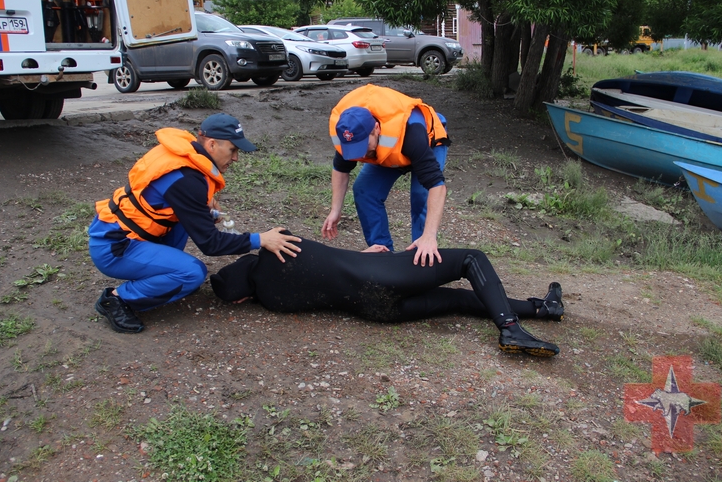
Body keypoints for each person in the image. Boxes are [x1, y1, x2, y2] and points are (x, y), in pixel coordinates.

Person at [88, 114, 302, 334]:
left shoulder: (185, 157)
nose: (236, 158)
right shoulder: (186, 180)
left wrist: (204, 210)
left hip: (121, 232)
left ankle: (162, 275)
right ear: (211, 144)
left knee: (187, 227)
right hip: (115, 247)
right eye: (232, 150)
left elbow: (170, 202)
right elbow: (211, 244)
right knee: (192, 273)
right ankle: (116, 299)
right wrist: (261, 239)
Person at [210, 234, 564, 357]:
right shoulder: (277, 247)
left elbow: (319, 276)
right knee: (471, 259)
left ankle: (544, 309)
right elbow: (322, 258)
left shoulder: (272, 302)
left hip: (376, 311)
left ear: (242, 297)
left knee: (456, 300)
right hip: (379, 276)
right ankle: (510, 326)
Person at [321, 84, 450, 267]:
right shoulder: (348, 132)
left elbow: (436, 186)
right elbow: (341, 169)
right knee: (365, 191)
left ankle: (421, 256)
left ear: (376, 128)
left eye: (364, 147)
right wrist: (335, 210)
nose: (362, 155)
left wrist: (429, 236)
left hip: (427, 141)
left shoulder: (411, 135)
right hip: (388, 152)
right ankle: (382, 253)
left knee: (421, 196)